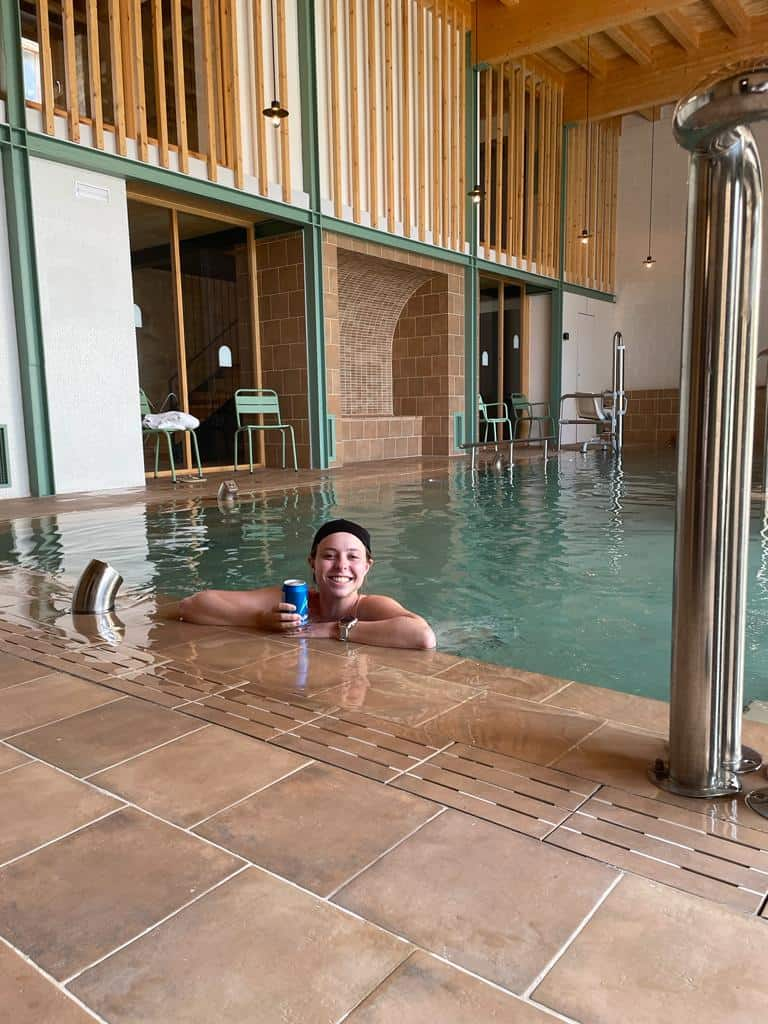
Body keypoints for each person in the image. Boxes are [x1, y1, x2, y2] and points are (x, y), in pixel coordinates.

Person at [178, 518, 436, 650]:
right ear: (312, 562)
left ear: (367, 566)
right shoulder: (293, 599)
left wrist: (333, 630)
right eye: (329, 555)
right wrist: (259, 620)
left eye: (353, 557)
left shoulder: (368, 607)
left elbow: (422, 636)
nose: (341, 566)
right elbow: (193, 605)